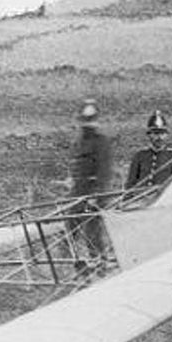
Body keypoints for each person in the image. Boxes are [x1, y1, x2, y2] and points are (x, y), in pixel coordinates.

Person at [69, 99, 114, 266]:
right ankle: (79, 261)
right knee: (70, 225)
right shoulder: (78, 141)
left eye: (90, 120)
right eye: (84, 121)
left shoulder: (101, 142)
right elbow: (76, 168)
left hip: (94, 193)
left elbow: (104, 171)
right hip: (78, 192)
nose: (87, 125)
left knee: (92, 229)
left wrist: (97, 195)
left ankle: (100, 262)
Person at [125, 110, 172, 190]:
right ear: (149, 135)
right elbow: (130, 184)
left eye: (162, 133)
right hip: (141, 199)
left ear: (166, 135)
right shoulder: (140, 156)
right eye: (156, 133)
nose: (159, 137)